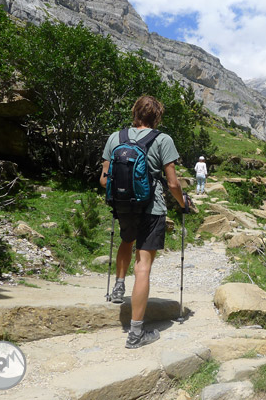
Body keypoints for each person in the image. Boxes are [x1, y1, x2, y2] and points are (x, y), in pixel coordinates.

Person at [100, 95, 190, 349]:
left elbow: (104, 180)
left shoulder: (115, 138)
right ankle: (136, 333)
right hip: (151, 209)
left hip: (123, 205)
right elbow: (172, 183)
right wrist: (183, 204)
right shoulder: (163, 140)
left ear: (135, 112)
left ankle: (118, 287)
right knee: (143, 266)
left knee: (126, 240)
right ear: (157, 116)